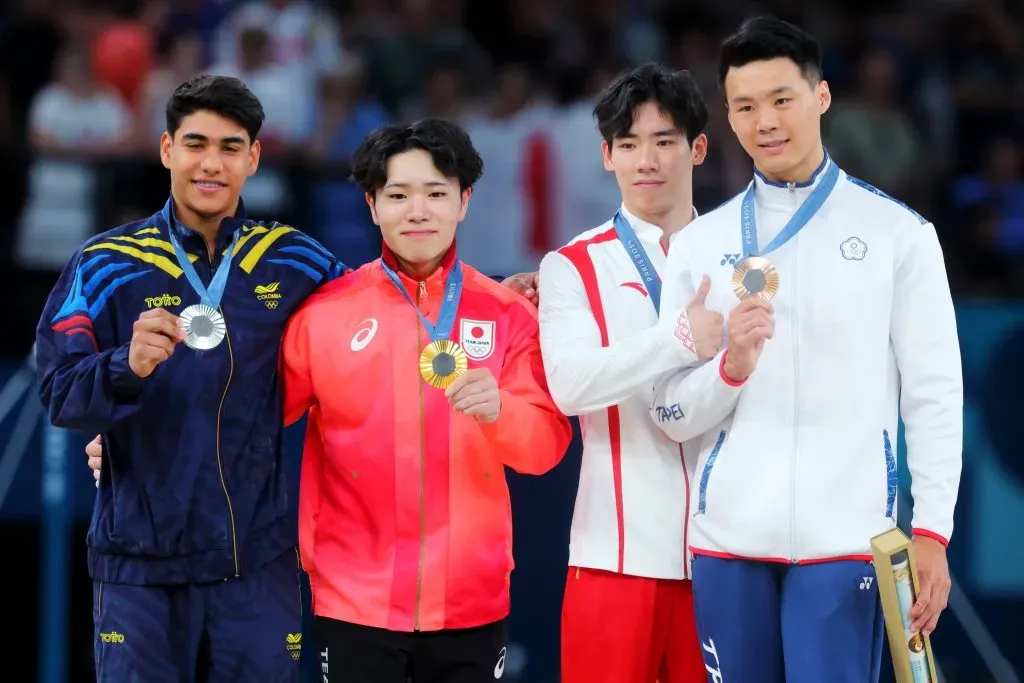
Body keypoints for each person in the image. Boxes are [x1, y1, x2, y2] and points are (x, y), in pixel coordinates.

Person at [650, 16, 962, 683]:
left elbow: (934, 394)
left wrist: (933, 529)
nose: (765, 120)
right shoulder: (699, 248)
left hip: (846, 541)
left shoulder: (898, 236)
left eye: (781, 99)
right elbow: (667, 411)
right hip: (726, 543)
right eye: (745, 106)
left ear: (821, 98)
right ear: (727, 119)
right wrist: (728, 370)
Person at [36, 74, 341, 681]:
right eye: (195, 143)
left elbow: (384, 317)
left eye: (231, 147)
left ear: (254, 158)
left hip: (255, 562)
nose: (211, 163)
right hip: (138, 568)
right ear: (166, 149)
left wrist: (503, 295)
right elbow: (58, 391)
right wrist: (126, 364)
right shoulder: (103, 264)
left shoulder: (297, 259)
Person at [279, 118, 573, 682]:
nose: (419, 211)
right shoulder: (323, 315)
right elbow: (249, 419)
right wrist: (134, 438)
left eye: (437, 193)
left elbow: (544, 449)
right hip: (352, 601)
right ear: (372, 205)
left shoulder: (508, 314)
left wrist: (500, 412)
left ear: (464, 201)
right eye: (399, 194)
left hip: (471, 600)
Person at [538, 63, 724, 683]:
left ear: (697, 147)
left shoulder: (741, 260)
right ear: (606, 156)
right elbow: (570, 385)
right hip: (613, 556)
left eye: (665, 141)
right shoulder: (571, 266)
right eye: (628, 143)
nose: (647, 159)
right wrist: (675, 340)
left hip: (726, 554)